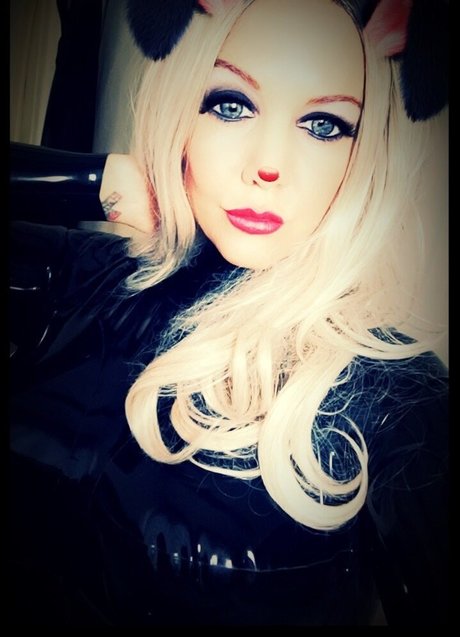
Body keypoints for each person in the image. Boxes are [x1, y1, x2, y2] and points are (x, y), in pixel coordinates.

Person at [9, 0, 449, 626]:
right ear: (181, 110)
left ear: (365, 154)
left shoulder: (397, 395)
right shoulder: (85, 276)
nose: (268, 165)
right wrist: (98, 181)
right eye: (231, 104)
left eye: (324, 124)